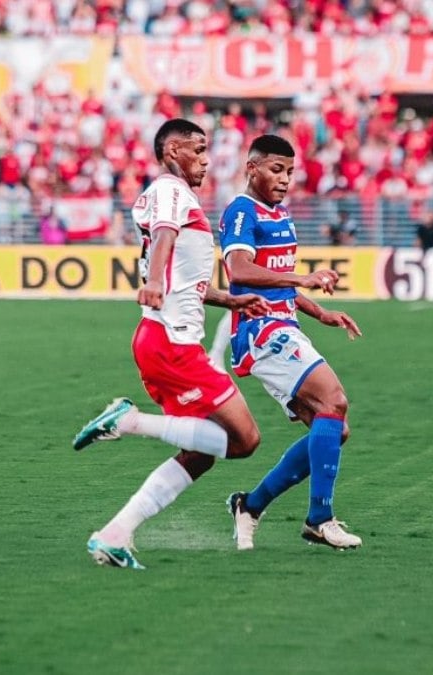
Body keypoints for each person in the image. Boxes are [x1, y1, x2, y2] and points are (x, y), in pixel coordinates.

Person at [71, 119, 272, 570]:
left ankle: (114, 534)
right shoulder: (171, 191)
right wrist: (156, 284)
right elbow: (163, 240)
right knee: (244, 440)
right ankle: (129, 421)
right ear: (171, 152)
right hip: (171, 344)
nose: (205, 159)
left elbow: (188, 279)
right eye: (197, 150)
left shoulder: (178, 196)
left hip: (166, 340)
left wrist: (229, 299)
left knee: (202, 454)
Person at [221, 134, 364, 552]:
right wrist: (302, 277)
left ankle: (250, 505)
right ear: (252, 168)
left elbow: (279, 282)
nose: (284, 179)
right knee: (334, 401)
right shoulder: (242, 211)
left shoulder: (280, 215)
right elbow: (241, 269)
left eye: (290, 172)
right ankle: (319, 519)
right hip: (260, 329)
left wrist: (320, 313)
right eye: (276, 169)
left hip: (284, 325)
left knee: (334, 429)